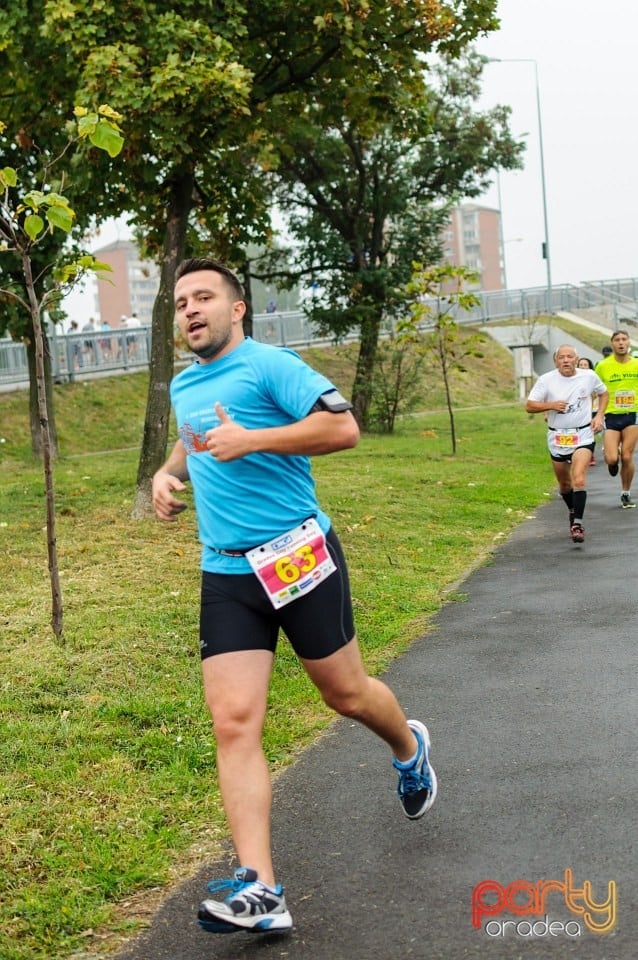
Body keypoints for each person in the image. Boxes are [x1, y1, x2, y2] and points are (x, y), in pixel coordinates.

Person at [152, 257, 437, 936]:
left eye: (204, 298)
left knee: (345, 694)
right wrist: (168, 474)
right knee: (233, 721)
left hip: (296, 555)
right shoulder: (185, 385)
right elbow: (194, 439)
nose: (191, 310)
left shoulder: (271, 366)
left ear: (236, 308)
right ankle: (261, 889)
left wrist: (254, 439)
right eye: (182, 302)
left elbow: (343, 429)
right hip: (225, 572)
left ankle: (408, 747)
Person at [526, 344, 607, 543]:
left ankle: (577, 524)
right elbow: (529, 405)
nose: (566, 360)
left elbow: (604, 393)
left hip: (583, 435)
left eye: (570, 357)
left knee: (578, 480)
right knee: (564, 485)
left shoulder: (588, 376)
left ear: (576, 359)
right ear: (555, 361)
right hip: (558, 436)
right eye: (561, 357)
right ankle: (572, 510)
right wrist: (551, 405)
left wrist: (599, 417)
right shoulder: (546, 380)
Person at [595, 330, 638, 508]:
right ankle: (612, 464)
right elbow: (593, 389)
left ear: (628, 342)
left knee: (627, 456)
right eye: (617, 340)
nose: (621, 343)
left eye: (624, 339)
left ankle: (625, 493)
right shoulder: (603, 366)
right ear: (612, 344)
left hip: (632, 414)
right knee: (613, 458)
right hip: (611, 416)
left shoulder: (636, 364)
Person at [577, 357, 599, 464]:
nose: (583, 367)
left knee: (590, 433)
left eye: (585, 365)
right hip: (579, 411)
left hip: (593, 409)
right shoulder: (574, 379)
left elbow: (599, 393)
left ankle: (590, 455)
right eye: (581, 365)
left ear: (590, 367)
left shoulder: (594, 378)